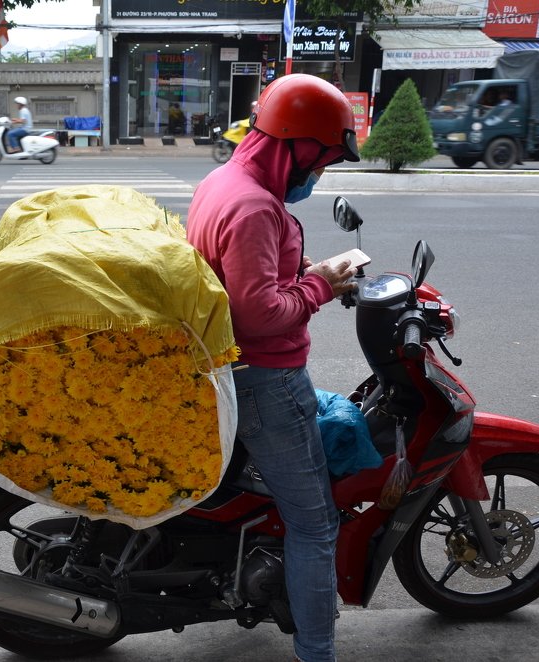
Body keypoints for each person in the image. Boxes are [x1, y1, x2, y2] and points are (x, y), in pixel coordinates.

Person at [185, 73, 360, 662]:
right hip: (265, 379)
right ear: (298, 145)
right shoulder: (258, 205)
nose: (320, 174)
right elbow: (259, 315)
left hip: (233, 373)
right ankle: (317, 653)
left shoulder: (224, 179)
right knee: (314, 525)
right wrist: (322, 285)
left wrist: (299, 269)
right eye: (322, 160)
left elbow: (238, 272)